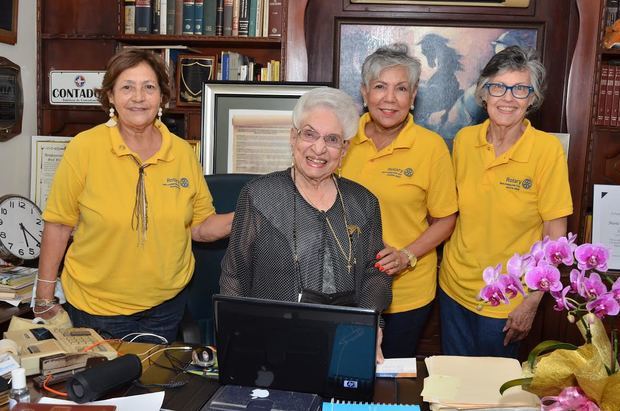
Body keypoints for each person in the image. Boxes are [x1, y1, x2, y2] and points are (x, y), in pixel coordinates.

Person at [35, 49, 233, 343]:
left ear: (162, 97)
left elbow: (199, 226)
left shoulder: (181, 153)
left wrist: (249, 212)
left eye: (149, 87)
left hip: (166, 308)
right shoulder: (84, 148)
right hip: (96, 310)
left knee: (155, 386)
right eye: (127, 87)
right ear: (111, 97)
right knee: (102, 387)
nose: (138, 97)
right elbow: (59, 224)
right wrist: (44, 297)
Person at [220, 87, 392, 361]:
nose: (319, 148)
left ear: (344, 148)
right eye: (309, 134)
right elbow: (234, 273)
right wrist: (234, 337)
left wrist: (371, 322)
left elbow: (376, 271)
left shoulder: (364, 201)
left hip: (345, 339)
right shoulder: (259, 194)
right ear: (293, 137)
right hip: (270, 341)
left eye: (332, 139)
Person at [439, 46, 573, 358]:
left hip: (508, 299)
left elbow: (555, 235)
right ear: (483, 93)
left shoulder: (546, 151)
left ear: (532, 98)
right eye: (498, 87)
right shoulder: (464, 141)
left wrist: (532, 300)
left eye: (520, 89)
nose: (508, 98)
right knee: (453, 390)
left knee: (494, 396)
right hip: (453, 289)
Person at [341, 43, 458, 358]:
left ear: (414, 94)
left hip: (405, 293)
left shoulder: (431, 148)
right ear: (365, 92)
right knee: (345, 375)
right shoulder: (342, 140)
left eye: (401, 88)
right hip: (342, 290)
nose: (389, 98)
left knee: (390, 382)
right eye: (380, 87)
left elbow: (446, 218)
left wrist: (407, 254)